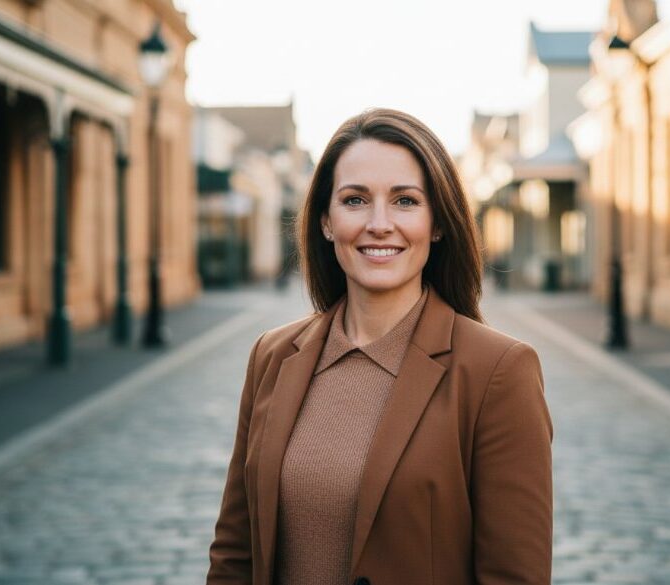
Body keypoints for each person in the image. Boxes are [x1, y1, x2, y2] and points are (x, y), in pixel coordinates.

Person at [206, 108, 553, 585]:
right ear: (326, 222)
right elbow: (234, 555)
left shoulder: (498, 371)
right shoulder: (272, 356)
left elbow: (515, 576)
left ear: (438, 223)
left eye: (406, 201)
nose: (379, 223)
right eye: (354, 200)